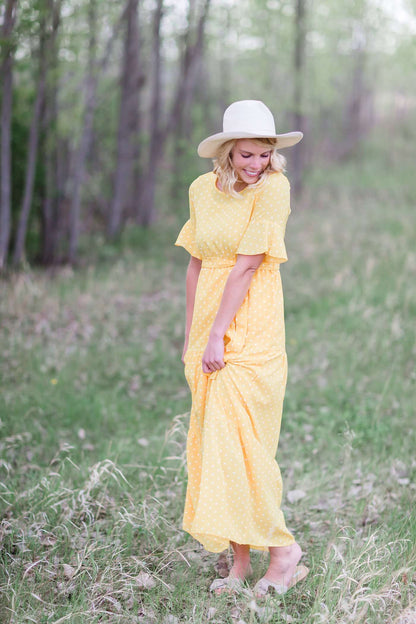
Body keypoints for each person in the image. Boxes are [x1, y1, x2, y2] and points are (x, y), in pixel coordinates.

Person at [175, 100, 309, 598]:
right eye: (247, 155)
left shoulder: (275, 188)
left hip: (251, 326)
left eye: (264, 154)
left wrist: (217, 336)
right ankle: (238, 564)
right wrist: (194, 334)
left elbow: (248, 265)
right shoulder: (199, 190)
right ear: (227, 153)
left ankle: (283, 554)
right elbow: (195, 265)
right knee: (217, 443)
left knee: (243, 443)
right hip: (209, 323)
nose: (256, 165)